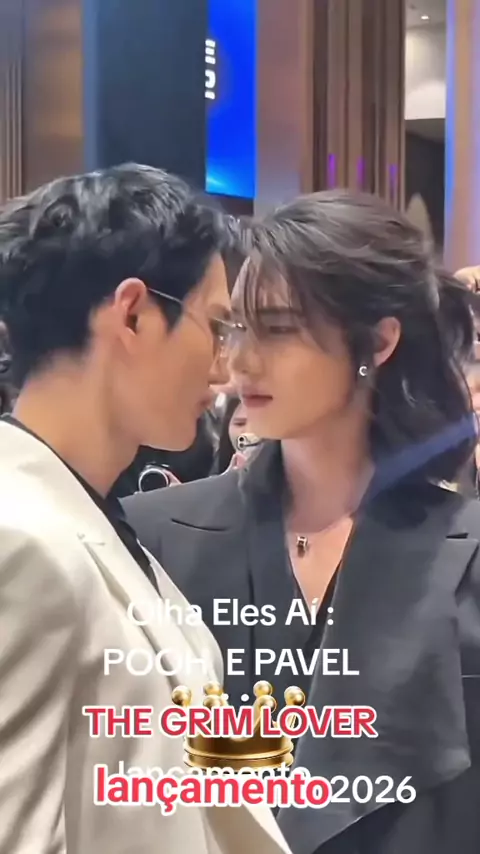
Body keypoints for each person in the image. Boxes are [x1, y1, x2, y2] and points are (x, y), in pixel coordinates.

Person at [125, 190, 480, 854]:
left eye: (280, 328)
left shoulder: (465, 551)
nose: (240, 362)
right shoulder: (151, 536)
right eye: (235, 328)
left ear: (378, 342)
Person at [0, 165, 290, 854]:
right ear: (132, 314)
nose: (225, 369)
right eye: (216, 327)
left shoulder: (85, 512)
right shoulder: (21, 536)